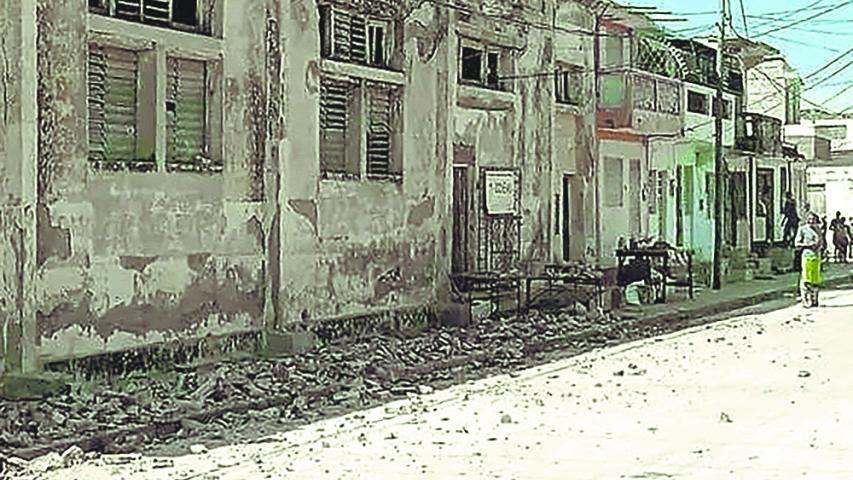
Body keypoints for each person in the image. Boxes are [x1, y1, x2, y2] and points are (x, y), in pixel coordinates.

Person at [795, 214, 823, 308]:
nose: (812, 221)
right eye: (810, 219)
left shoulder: (818, 230)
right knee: (806, 279)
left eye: (814, 220)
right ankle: (805, 299)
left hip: (816, 256)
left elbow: (821, 242)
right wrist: (808, 245)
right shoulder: (802, 229)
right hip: (807, 256)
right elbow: (797, 243)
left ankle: (814, 299)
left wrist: (819, 246)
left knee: (815, 279)